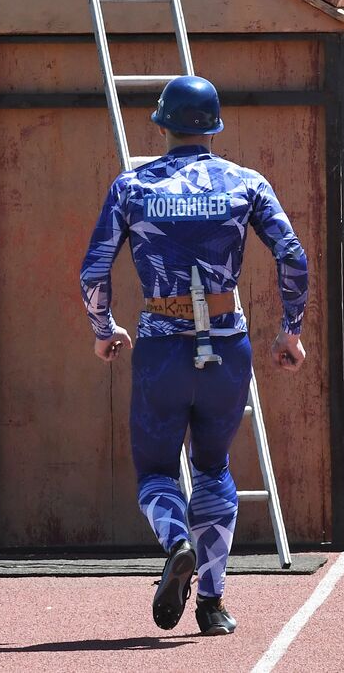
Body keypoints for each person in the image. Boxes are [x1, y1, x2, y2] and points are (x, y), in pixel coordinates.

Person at [79, 75, 308, 635]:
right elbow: (293, 256)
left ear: (162, 125)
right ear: (215, 127)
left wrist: (103, 328)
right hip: (228, 347)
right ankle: (212, 603)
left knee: (157, 470)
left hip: (161, 344)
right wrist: (290, 332)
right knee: (213, 467)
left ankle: (175, 540)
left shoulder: (131, 187)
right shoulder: (246, 183)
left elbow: (94, 271)